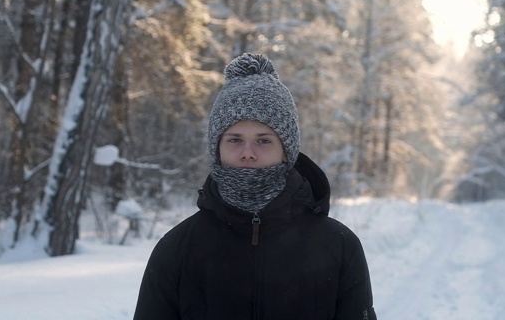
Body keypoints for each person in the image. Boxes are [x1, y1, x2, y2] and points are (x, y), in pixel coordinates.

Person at [133, 53, 377, 319]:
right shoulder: (178, 248)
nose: (247, 153)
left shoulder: (338, 246)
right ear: (218, 149)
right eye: (235, 140)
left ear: (287, 151)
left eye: (263, 140)